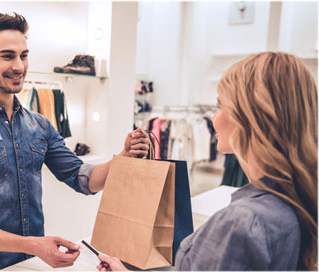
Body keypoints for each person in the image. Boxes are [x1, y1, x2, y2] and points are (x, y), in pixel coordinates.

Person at [0, 12, 150, 271]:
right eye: (7, 56)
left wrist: (123, 157)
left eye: (23, 55)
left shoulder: (39, 125)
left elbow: (81, 177)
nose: (19, 66)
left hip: (32, 265)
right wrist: (33, 245)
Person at [97, 52, 318, 271]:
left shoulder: (241, 224)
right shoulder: (295, 202)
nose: (213, 118)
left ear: (250, 118)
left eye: (220, 106)